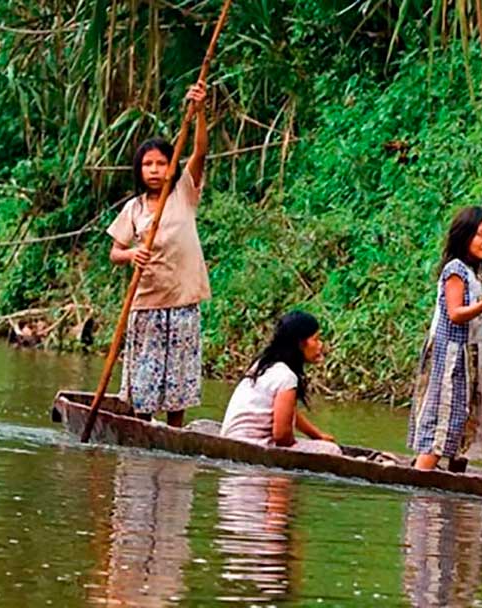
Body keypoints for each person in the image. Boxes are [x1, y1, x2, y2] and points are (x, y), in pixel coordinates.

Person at [106, 80, 211, 427]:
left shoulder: (183, 194)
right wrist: (132, 254)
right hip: (146, 305)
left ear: (171, 167)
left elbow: (200, 152)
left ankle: (175, 432)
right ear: (139, 170)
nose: (154, 170)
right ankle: (142, 427)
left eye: (161, 163)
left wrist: (199, 111)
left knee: (178, 377)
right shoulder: (134, 209)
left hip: (182, 302)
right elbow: (115, 252)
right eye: (148, 164)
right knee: (145, 379)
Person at [407, 206, 482, 471]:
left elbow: (469, 315)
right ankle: (421, 475)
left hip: (470, 355)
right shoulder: (456, 270)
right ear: (464, 236)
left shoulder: (474, 272)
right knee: (444, 420)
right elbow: (455, 314)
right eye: (481, 234)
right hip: (451, 357)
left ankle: (454, 481)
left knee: (464, 421)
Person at [220, 311, 340, 455]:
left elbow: (288, 412)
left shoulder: (263, 365)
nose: (320, 345)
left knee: (321, 445)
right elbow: (282, 436)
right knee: (332, 450)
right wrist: (296, 448)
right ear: (301, 344)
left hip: (232, 438)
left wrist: (317, 436)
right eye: (316, 339)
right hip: (252, 444)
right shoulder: (286, 377)